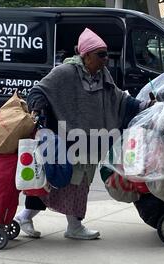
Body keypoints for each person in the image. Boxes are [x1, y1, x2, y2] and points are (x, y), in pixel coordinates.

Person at [14, 28, 154, 240]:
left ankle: (37, 219)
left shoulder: (101, 75)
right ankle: (63, 224)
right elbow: (38, 91)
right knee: (56, 182)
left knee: (76, 184)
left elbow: (119, 99)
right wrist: (39, 110)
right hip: (66, 139)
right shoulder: (65, 73)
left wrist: (147, 105)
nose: (106, 59)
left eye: (107, 54)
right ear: (86, 55)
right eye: (101, 55)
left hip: (91, 141)